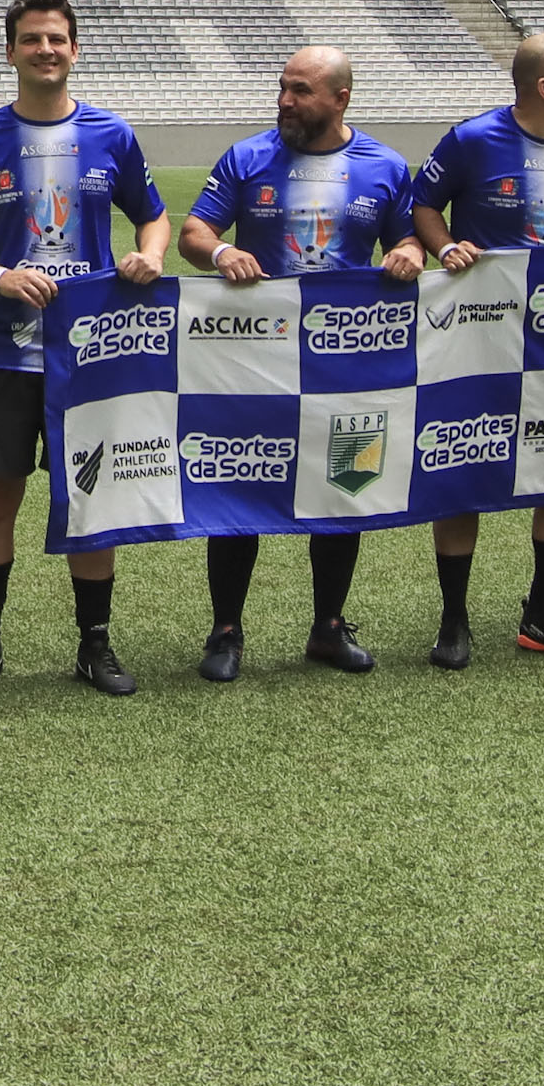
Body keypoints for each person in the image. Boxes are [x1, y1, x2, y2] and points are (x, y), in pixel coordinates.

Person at [0, 0, 165, 698]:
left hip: (89, 355)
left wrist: (148, 255)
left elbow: (152, 217)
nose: (46, 49)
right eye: (31, 39)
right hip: (0, 353)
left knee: (92, 502)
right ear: (11, 52)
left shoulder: (112, 135)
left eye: (57, 38)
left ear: (75, 48)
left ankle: (95, 646)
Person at [181, 43, 412, 680]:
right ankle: (226, 630)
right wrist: (221, 253)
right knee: (238, 487)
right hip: (256, 360)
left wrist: (412, 252)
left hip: (348, 360)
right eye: (282, 87)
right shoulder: (247, 157)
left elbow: (412, 236)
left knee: (344, 486)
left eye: (301, 90)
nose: (285, 100)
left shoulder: (385, 166)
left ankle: (328, 629)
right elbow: (194, 232)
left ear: (341, 98)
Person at [412, 31, 544, 665]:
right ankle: (453, 620)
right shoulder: (473, 138)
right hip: (478, 333)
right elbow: (423, 206)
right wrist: (445, 248)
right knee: (465, 465)